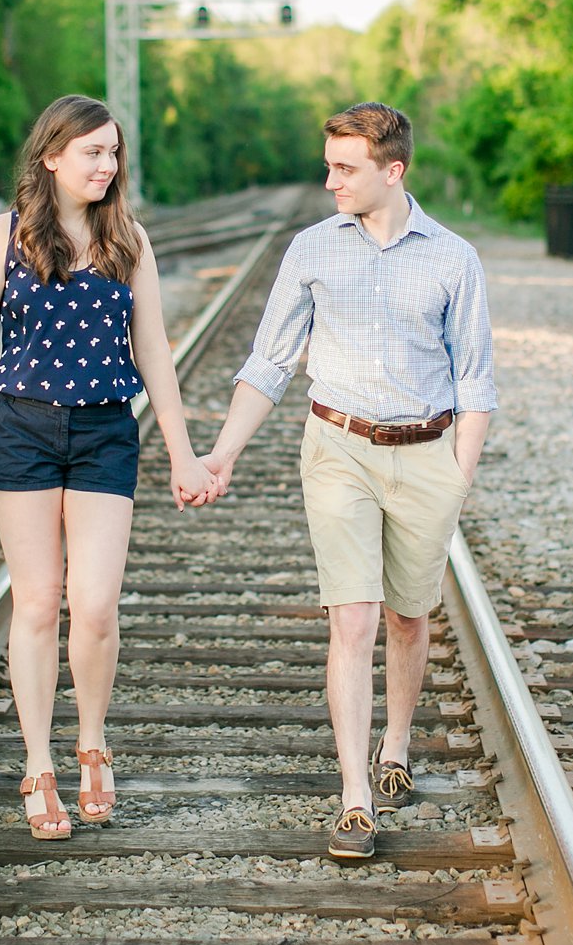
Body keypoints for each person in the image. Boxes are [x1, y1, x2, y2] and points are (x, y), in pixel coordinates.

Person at [197, 102, 495, 859]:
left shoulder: (454, 258)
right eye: (329, 164)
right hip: (338, 448)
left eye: (345, 168)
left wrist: (458, 475)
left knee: (407, 615)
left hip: (426, 453)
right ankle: (355, 794)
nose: (329, 180)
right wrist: (224, 452)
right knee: (353, 619)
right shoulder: (311, 249)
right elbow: (269, 361)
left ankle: (395, 746)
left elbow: (477, 381)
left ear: (392, 171)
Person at [0, 94, 213, 839]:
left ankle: (93, 740)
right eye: (92, 152)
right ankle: (40, 761)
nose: (106, 166)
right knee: (39, 601)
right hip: (21, 430)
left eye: (113, 153)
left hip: (107, 431)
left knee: (98, 603)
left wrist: (182, 450)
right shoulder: (1, 237)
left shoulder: (128, 240)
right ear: (51, 156)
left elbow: (156, 353)